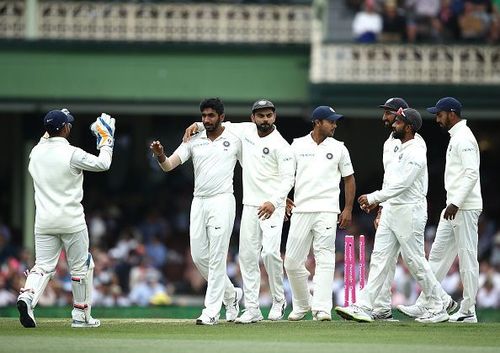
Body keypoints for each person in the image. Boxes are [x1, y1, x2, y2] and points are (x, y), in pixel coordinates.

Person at [335, 108, 452, 323]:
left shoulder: (416, 150)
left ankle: (439, 304)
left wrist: (374, 197)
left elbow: (402, 184)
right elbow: (391, 180)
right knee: (379, 258)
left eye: (398, 122)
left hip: (409, 210)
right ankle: (364, 305)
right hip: (392, 209)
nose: (393, 124)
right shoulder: (397, 144)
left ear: (409, 127)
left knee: (414, 260)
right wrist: (381, 205)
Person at [184, 99, 295, 324]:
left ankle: (278, 300)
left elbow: (288, 179)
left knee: (270, 254)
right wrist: (196, 124)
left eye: (269, 116)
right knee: (247, 256)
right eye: (260, 116)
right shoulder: (244, 131)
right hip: (251, 204)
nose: (265, 120)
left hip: (272, 205)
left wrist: (276, 201)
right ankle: (252, 308)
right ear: (253, 117)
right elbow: (217, 123)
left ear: (274, 117)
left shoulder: (282, 146)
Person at [17, 109, 116, 328]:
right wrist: (106, 140)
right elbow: (103, 164)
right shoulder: (73, 153)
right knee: (81, 268)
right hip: (71, 220)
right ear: (65, 128)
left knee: (42, 266)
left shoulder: (35, 152)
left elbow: (47, 137)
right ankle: (81, 316)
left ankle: (27, 297)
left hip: (44, 221)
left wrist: (53, 121)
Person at [150, 98, 243, 325]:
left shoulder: (235, 138)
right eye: (203, 116)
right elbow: (169, 165)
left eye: (211, 115)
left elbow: (251, 167)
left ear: (221, 116)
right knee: (199, 257)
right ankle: (231, 296)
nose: (206, 120)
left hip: (223, 200)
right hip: (199, 201)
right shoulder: (193, 139)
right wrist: (160, 154)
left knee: (217, 257)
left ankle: (211, 311)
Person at [398, 97, 482, 323]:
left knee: (466, 258)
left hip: (463, 206)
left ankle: (468, 310)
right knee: (436, 256)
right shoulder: (457, 136)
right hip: (453, 205)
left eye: (439, 114)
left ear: (452, 113)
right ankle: (427, 303)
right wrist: (452, 203)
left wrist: (456, 202)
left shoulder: (464, 138)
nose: (437, 119)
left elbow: (471, 173)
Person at [284, 106, 355, 321]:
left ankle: (322, 308)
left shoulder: (340, 147)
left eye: (335, 122)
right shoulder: (297, 145)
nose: (334, 125)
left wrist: (348, 208)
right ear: (317, 122)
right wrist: (283, 196)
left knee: (325, 258)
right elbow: (286, 174)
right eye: (330, 121)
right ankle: (303, 303)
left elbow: (349, 178)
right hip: (301, 209)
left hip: (327, 209)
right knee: (291, 262)